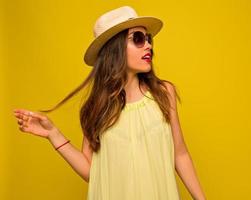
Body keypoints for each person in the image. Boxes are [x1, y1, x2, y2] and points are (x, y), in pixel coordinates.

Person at [13, 6, 206, 200]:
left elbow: (180, 155)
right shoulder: (96, 107)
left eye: (149, 39)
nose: (148, 45)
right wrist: (53, 134)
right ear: (116, 47)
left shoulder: (164, 93)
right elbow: (91, 171)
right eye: (138, 38)